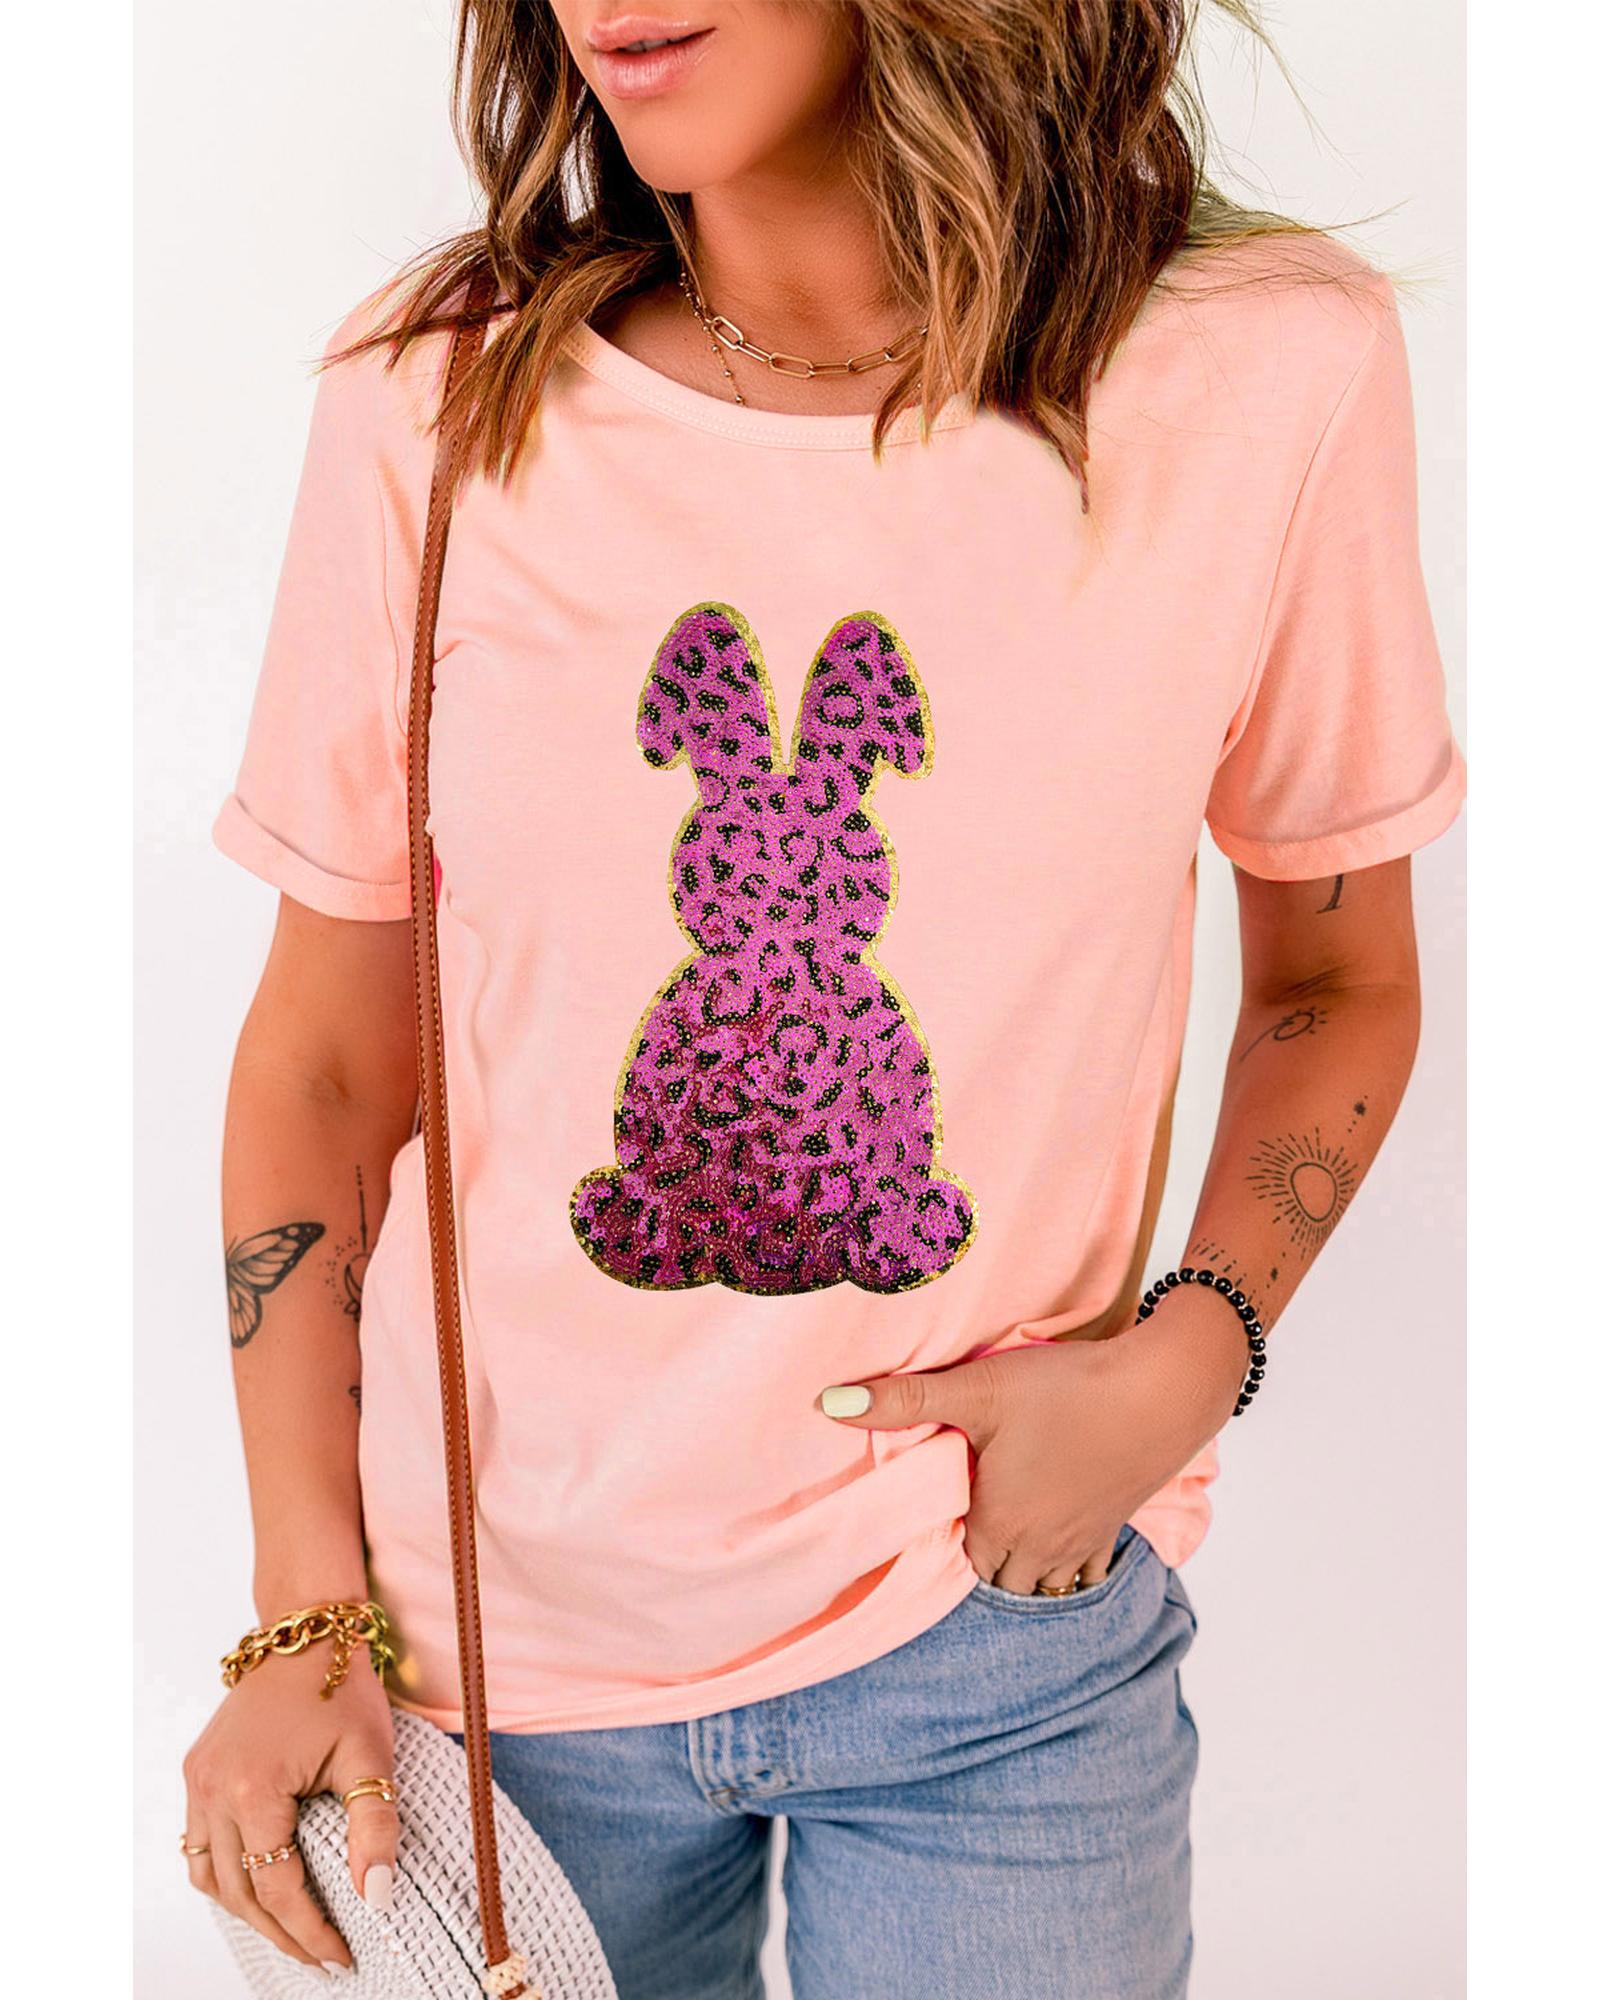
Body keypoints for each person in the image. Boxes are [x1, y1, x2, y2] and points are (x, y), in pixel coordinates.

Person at [181, 3, 1465, 1993]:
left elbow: (1336, 975)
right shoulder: (437, 399)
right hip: (489, 1672)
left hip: (997, 1636)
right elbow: (328, 1067)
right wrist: (300, 1616)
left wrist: (1186, 1360)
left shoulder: (1261, 371)